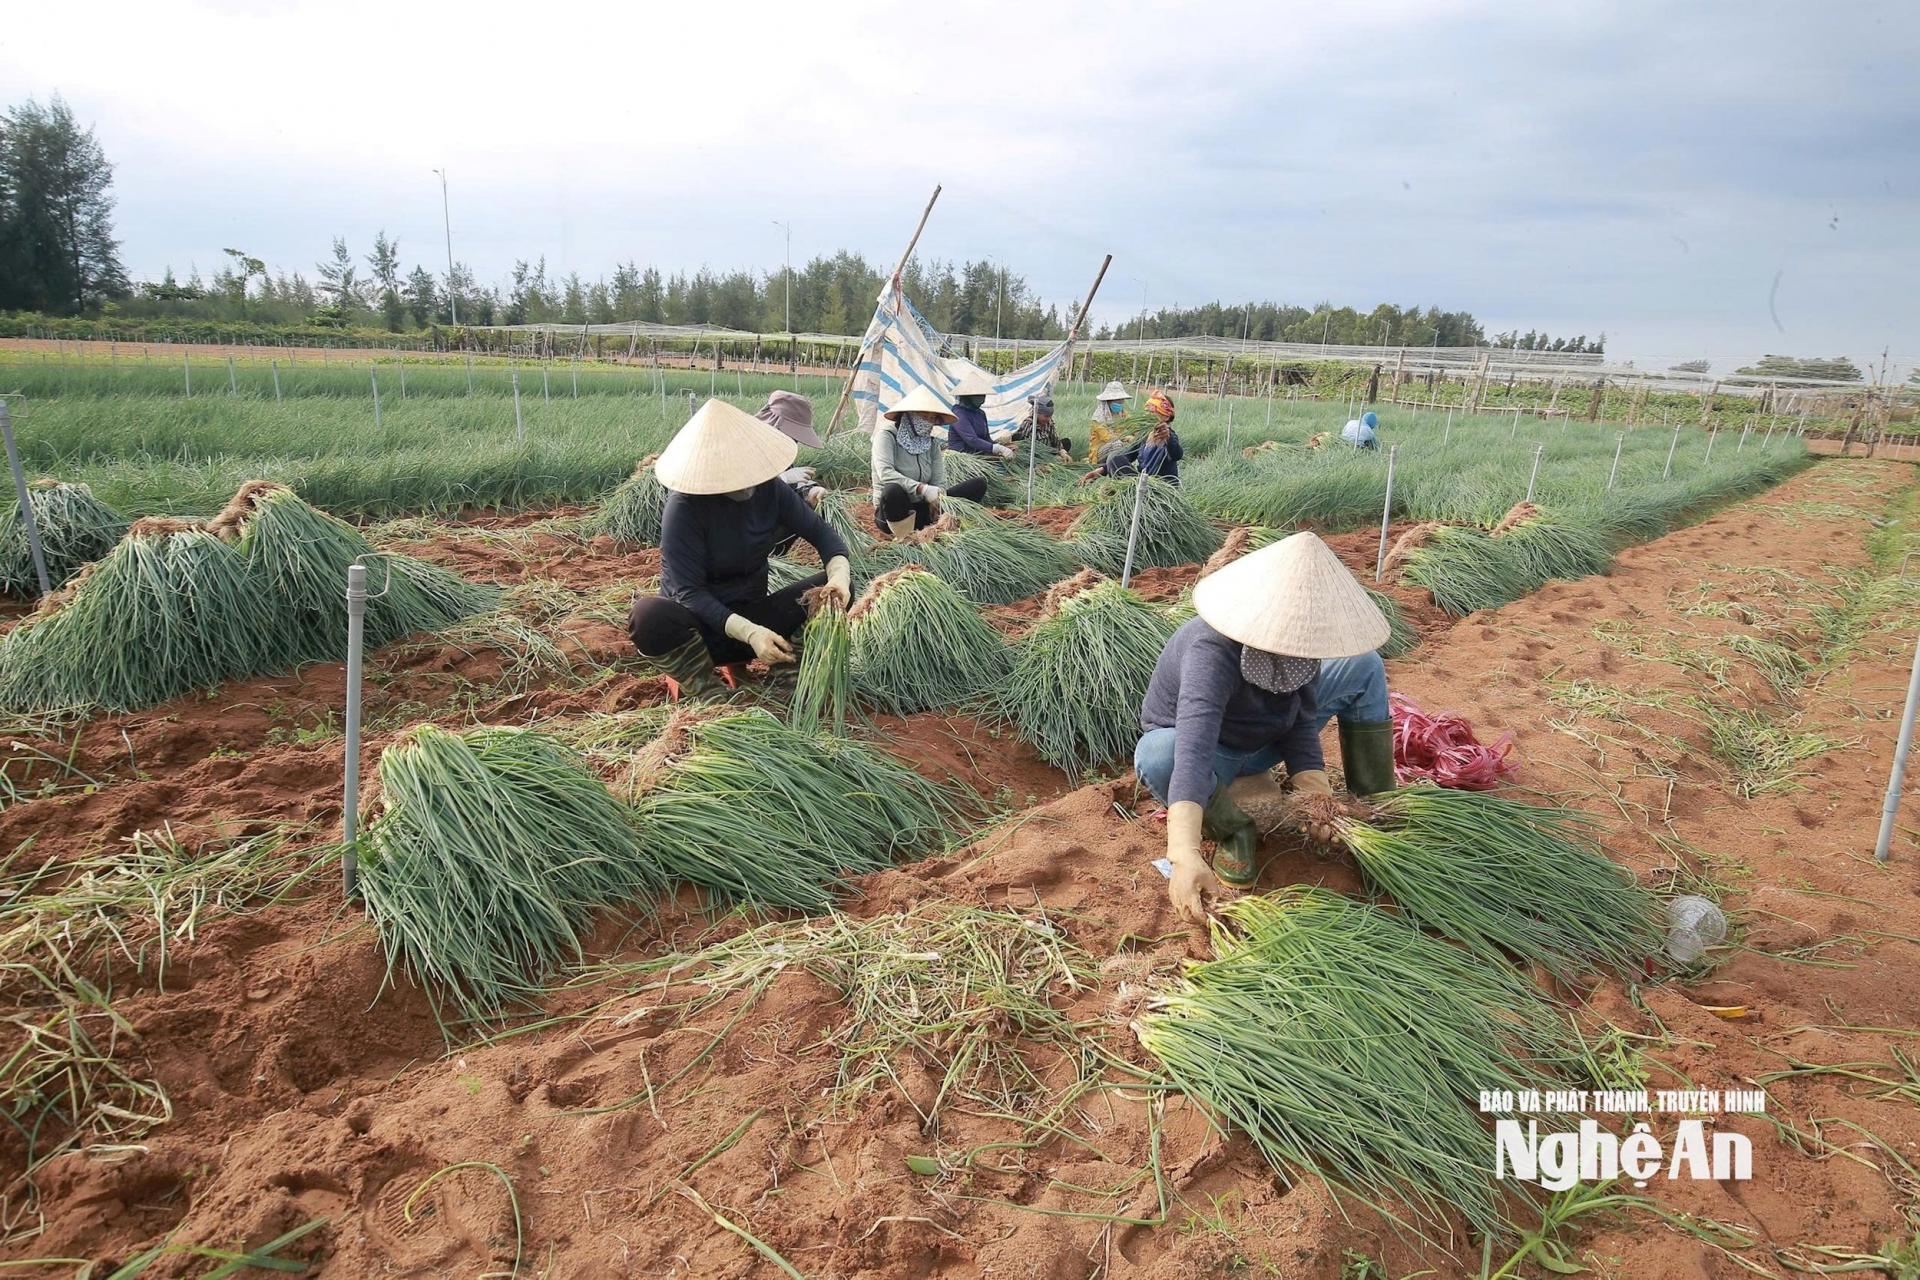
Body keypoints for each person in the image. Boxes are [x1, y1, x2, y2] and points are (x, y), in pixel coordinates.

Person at [1133, 531, 1399, 923]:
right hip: (1210, 754)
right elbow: (1193, 748)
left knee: (1364, 664)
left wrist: (1316, 796)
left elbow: (1299, 720)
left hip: (1262, 740)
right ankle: (1234, 830)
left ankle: (1374, 809)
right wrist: (1183, 852)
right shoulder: (1211, 649)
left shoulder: (1302, 643)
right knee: (1158, 754)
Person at [627, 399, 852, 697]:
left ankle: (787, 673)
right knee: (647, 615)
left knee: (832, 590)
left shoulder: (770, 489)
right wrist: (750, 633)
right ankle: (705, 689)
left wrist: (838, 578)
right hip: (700, 632)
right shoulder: (685, 507)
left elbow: (824, 537)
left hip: (756, 620)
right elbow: (689, 593)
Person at [871, 385, 990, 537]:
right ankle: (903, 536)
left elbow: (939, 479)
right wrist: (922, 489)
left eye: (932, 418)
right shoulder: (887, 437)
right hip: (895, 513)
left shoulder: (931, 443)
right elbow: (886, 473)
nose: (928, 422)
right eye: (924, 416)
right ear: (909, 414)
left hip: (924, 510)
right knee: (892, 490)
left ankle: (938, 524)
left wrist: (938, 499)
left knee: (978, 484)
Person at [1084, 389, 1181, 485]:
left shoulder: (1169, 436)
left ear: (1166, 417)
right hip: (1143, 482)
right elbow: (1126, 454)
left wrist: (1168, 437)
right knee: (1114, 457)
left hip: (1159, 486)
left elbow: (1177, 454)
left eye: (1152, 413)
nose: (1147, 415)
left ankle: (1134, 491)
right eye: (1146, 411)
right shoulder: (1144, 435)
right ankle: (1131, 490)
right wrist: (1099, 471)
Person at [757, 389, 826, 508]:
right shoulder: (746, 446)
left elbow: (790, 488)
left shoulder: (780, 450)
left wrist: (809, 492)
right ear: (775, 424)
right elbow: (742, 491)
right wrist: (782, 479)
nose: (794, 441)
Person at [946, 367, 1016, 458]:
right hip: (962, 457)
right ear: (968, 396)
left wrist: (1003, 447)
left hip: (979, 455)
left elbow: (986, 438)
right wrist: (997, 448)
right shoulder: (958, 414)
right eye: (979, 395)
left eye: (984, 395)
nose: (982, 398)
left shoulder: (980, 413)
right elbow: (971, 439)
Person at [1009, 393, 1072, 462]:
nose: (1048, 419)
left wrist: (1062, 452)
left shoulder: (1049, 422)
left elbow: (1055, 440)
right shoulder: (1028, 424)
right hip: (1034, 455)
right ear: (1037, 414)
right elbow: (1028, 448)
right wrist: (1050, 456)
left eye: (1050, 416)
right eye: (1046, 416)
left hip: (1048, 450)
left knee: (1066, 442)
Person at [1087, 381, 1132, 463]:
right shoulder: (1098, 419)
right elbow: (1108, 438)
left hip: (1120, 444)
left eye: (1121, 401)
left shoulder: (1123, 414)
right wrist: (1125, 437)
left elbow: (1133, 426)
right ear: (1108, 401)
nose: (1120, 403)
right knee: (1117, 444)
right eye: (1117, 401)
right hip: (1100, 451)